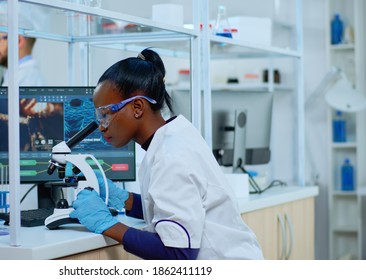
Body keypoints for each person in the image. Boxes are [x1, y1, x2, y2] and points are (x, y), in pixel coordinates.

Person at [69, 48, 264, 260]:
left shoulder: (171, 157)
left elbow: (178, 254)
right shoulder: (171, 137)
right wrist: (123, 199)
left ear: (137, 107)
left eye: (105, 114)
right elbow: (172, 211)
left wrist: (106, 224)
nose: (101, 126)